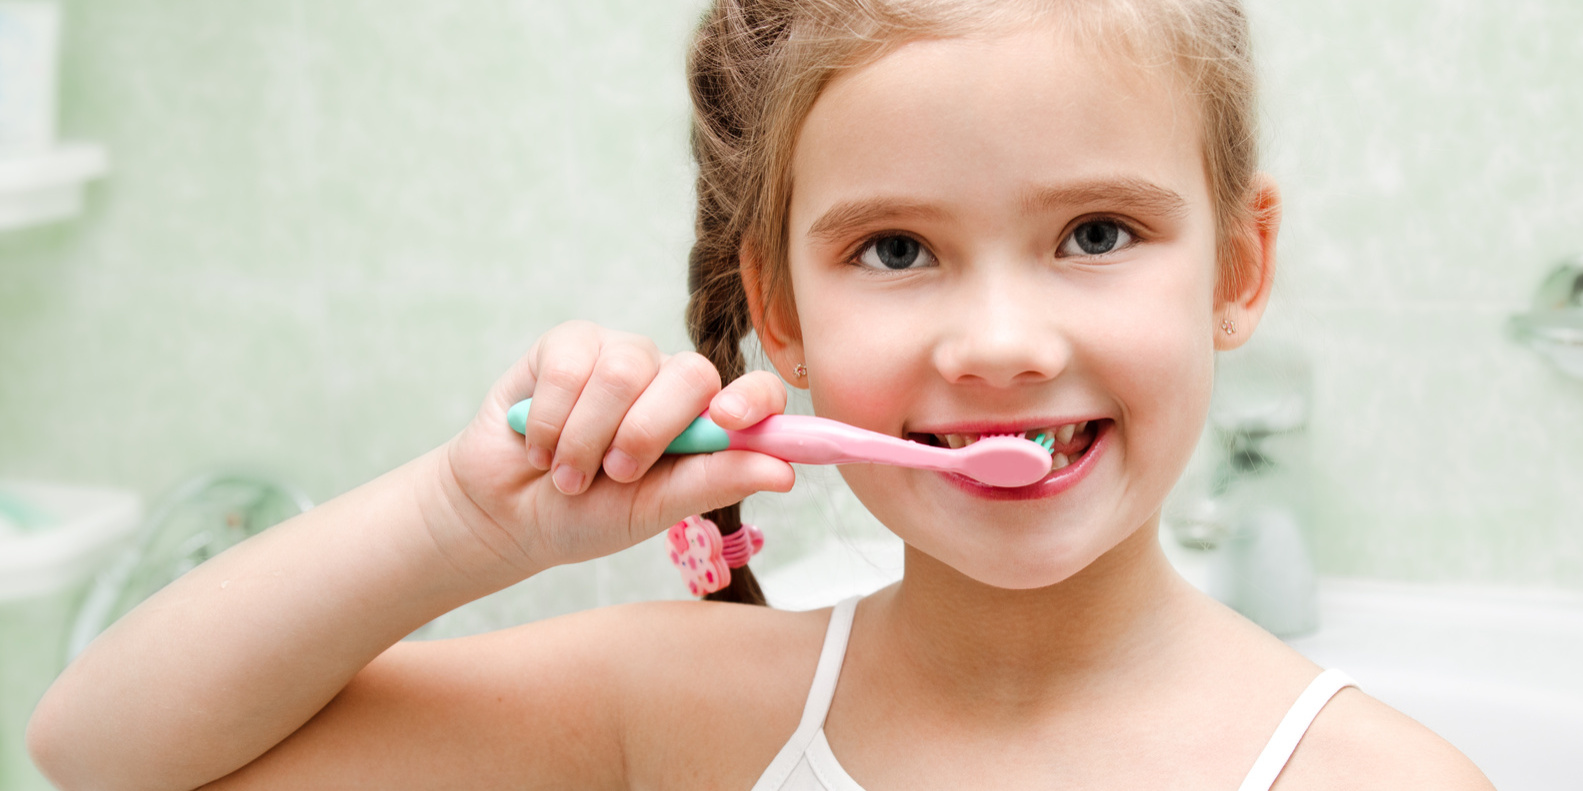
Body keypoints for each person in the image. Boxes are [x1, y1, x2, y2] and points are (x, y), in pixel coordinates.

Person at [28, 1, 1493, 788]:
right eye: (897, 248)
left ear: (1238, 265)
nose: (1000, 343)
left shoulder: (1370, 781)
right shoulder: (683, 710)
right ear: (780, 310)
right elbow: (101, 753)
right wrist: (461, 524)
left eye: (1096, 235)